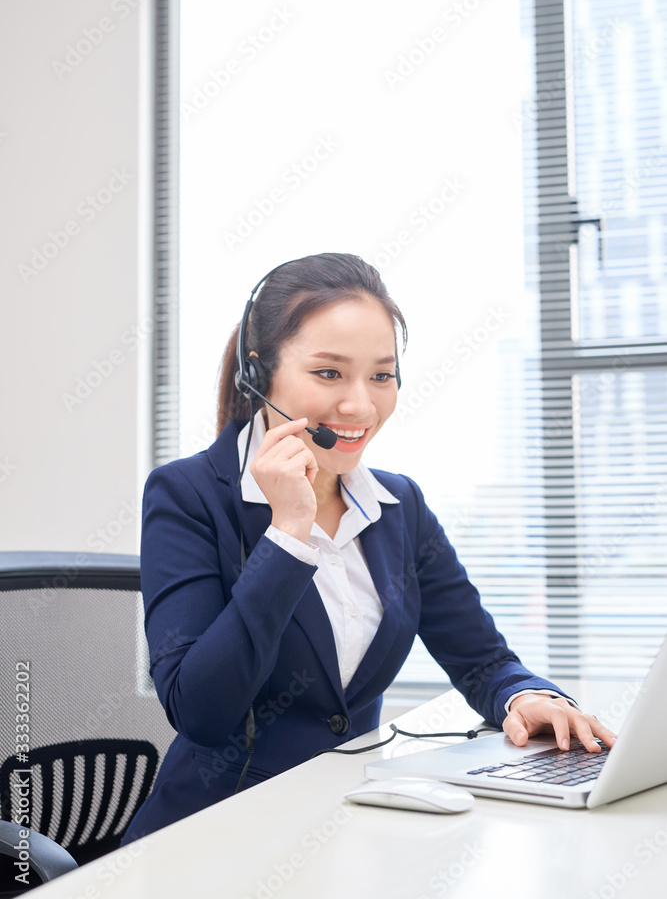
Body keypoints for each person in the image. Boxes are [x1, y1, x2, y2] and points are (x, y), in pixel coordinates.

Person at [122, 253, 616, 842]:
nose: (360, 406)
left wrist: (523, 697)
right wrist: (287, 534)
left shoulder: (399, 507)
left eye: (381, 375)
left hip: (349, 829)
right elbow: (200, 710)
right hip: (213, 835)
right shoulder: (189, 495)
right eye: (329, 373)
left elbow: (481, 659)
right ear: (259, 375)